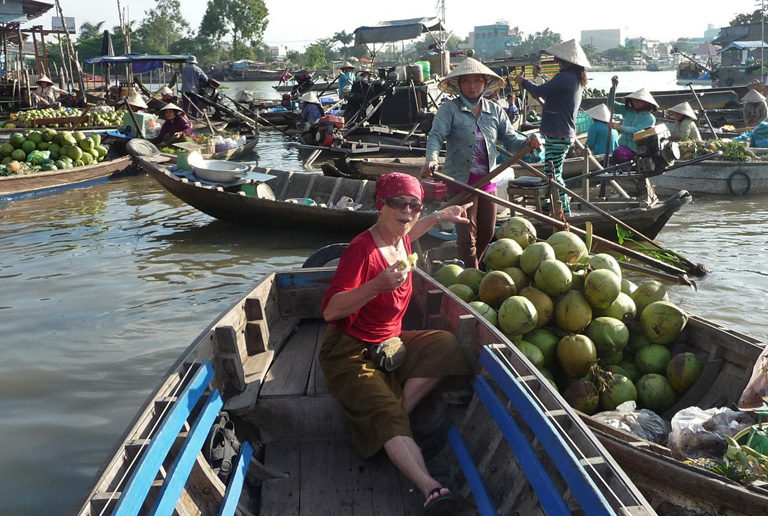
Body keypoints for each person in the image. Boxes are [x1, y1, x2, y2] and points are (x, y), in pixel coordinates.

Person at [319, 172, 472, 516]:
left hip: (389, 342)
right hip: (349, 349)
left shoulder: (400, 238)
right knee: (387, 412)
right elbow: (330, 310)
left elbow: (411, 232)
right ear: (380, 205)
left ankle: (390, 422)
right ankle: (430, 486)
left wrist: (439, 216)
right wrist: (376, 286)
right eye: (397, 204)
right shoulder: (362, 250)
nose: (406, 212)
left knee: (446, 346)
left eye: (414, 205)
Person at [421, 57, 541, 268]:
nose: (472, 86)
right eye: (466, 81)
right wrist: (431, 160)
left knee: (486, 232)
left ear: (485, 84)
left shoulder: (494, 111)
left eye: (477, 81)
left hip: (488, 181)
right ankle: (472, 274)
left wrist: (528, 145)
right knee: (467, 235)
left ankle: (472, 268)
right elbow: (436, 136)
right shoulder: (449, 109)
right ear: (458, 85)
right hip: (460, 182)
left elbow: (512, 141)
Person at [514, 39, 590, 216]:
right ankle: (552, 205)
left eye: (560, 60)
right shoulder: (575, 79)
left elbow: (540, 91)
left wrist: (523, 81)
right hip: (562, 132)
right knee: (553, 171)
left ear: (569, 62)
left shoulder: (565, 78)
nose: (558, 64)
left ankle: (564, 210)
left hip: (558, 133)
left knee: (552, 174)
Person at [607, 78, 659, 164]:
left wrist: (619, 127)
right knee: (617, 154)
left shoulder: (650, 118)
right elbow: (611, 103)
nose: (635, 102)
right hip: (623, 146)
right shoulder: (628, 111)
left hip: (638, 150)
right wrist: (613, 88)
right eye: (634, 100)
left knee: (619, 153)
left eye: (639, 101)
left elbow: (637, 130)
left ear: (646, 102)